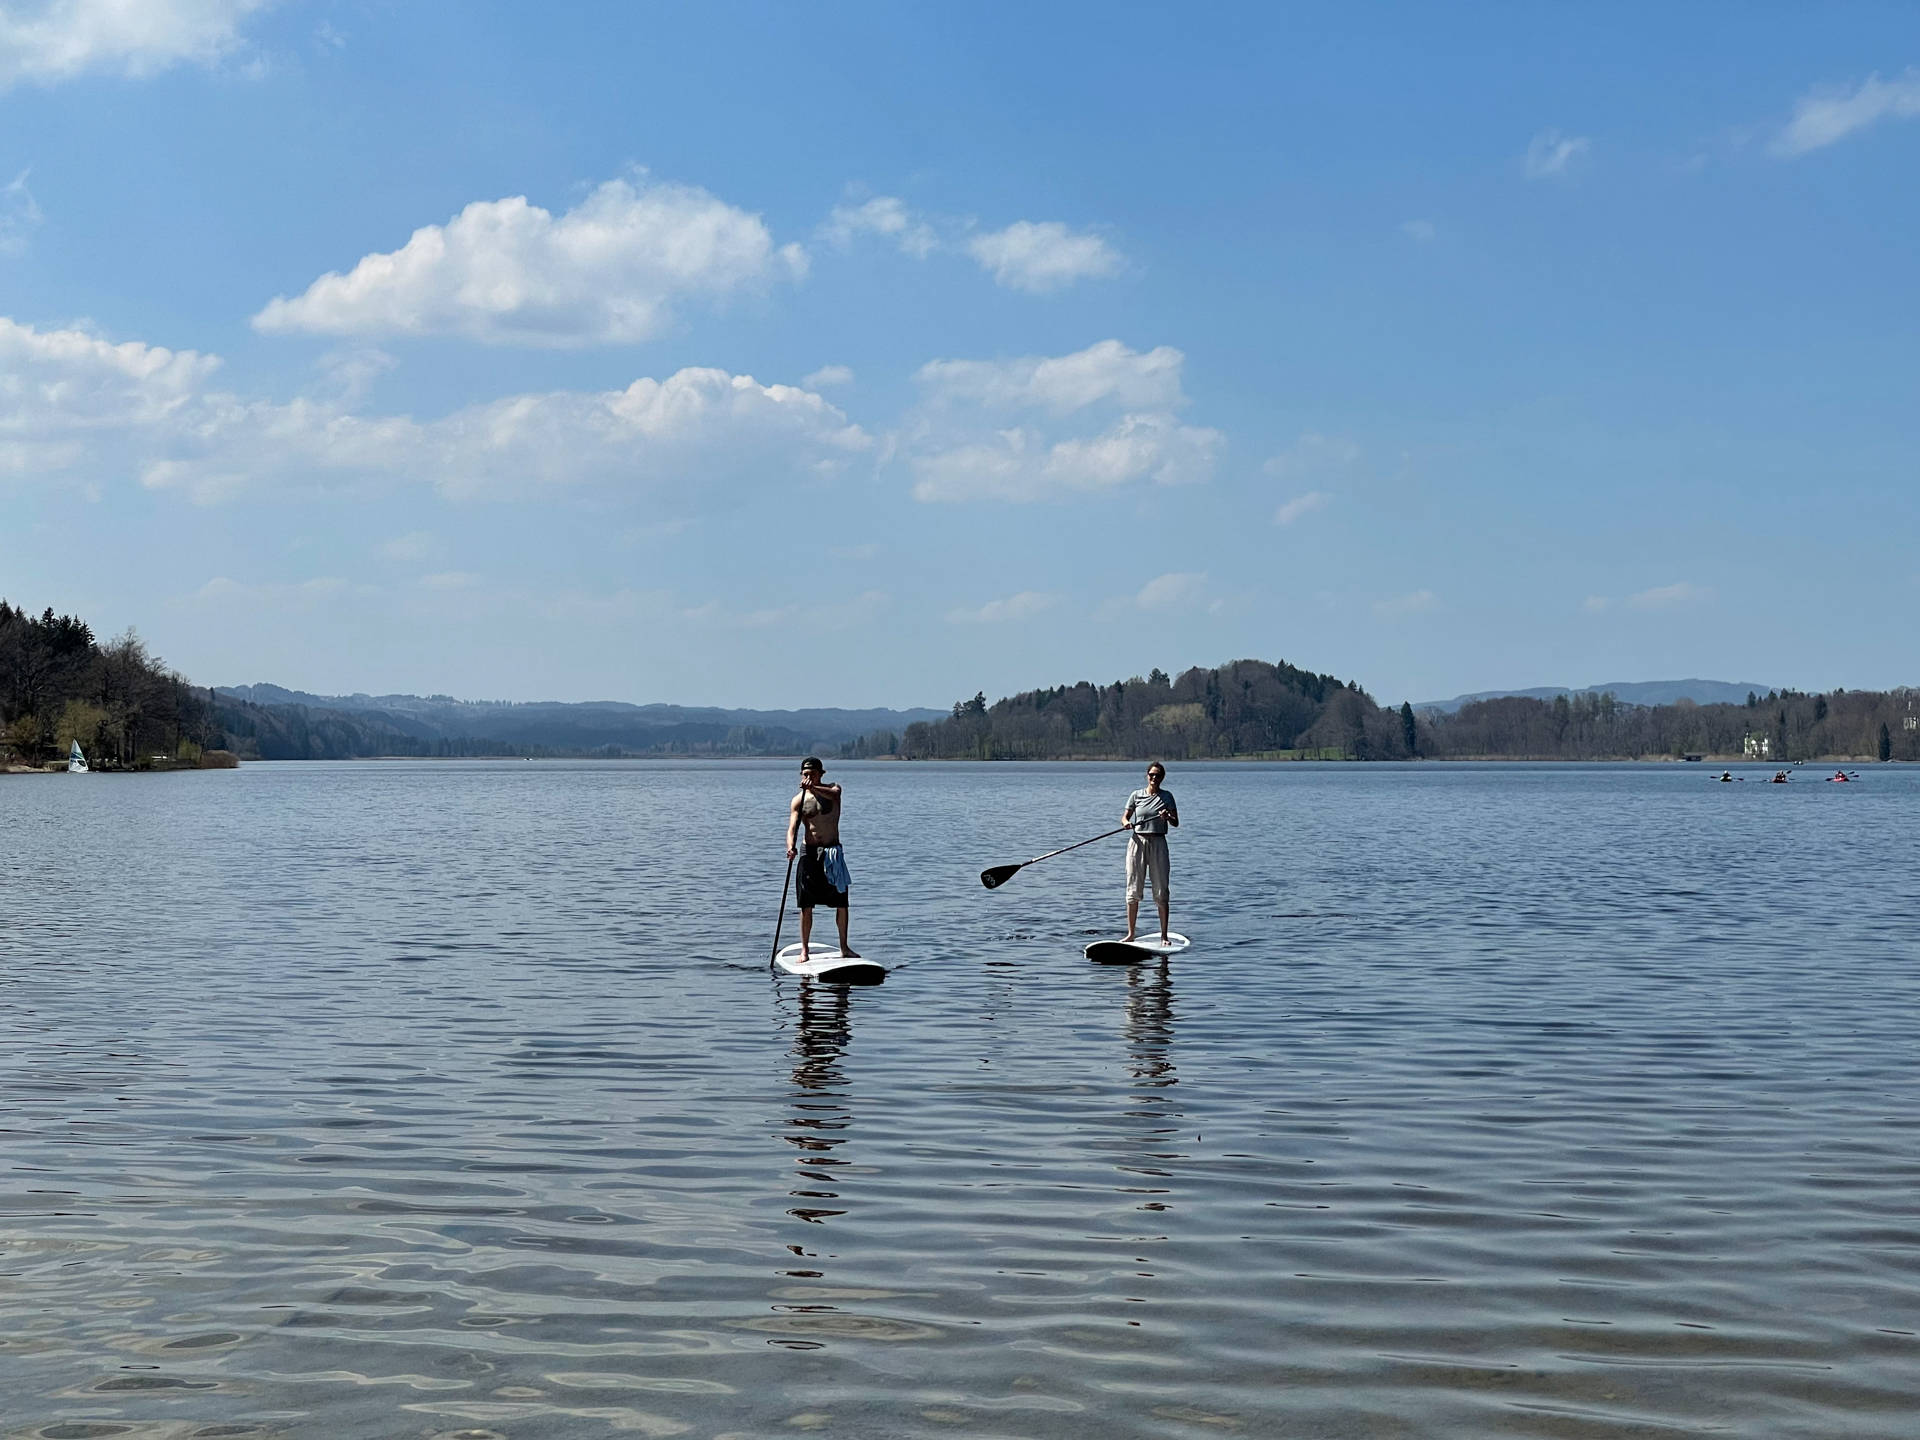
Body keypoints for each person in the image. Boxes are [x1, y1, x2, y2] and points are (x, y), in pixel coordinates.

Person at [786, 757, 857, 960]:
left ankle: (844, 947)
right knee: (805, 904)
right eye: (805, 774)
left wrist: (814, 788)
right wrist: (790, 846)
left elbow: (835, 794)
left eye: (813, 774)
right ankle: (804, 950)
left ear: (821, 774)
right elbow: (792, 828)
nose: (809, 778)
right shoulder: (798, 801)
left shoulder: (833, 790)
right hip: (809, 854)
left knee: (841, 902)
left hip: (832, 853)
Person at [1121, 761, 1179, 943]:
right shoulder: (1136, 795)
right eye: (1151, 774)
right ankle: (1131, 934)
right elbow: (1125, 817)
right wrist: (1126, 823)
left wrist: (1167, 816)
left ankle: (1164, 936)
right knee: (1133, 889)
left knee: (1161, 890)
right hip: (1137, 842)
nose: (1154, 778)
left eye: (1158, 775)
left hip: (1158, 842)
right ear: (1147, 775)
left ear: (1162, 778)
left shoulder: (1167, 796)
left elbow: (1176, 822)